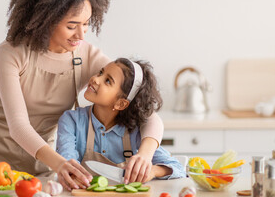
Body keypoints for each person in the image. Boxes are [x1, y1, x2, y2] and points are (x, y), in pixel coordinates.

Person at [0, 0, 165, 190]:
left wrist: (145, 154)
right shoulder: (12, 52)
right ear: (45, 20)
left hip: (40, 162)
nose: (81, 35)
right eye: (71, 26)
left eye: (86, 24)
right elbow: (18, 126)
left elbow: (144, 111)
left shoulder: (87, 56)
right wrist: (61, 164)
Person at [56, 58, 186, 186]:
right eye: (100, 73)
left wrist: (152, 171)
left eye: (107, 81)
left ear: (121, 103)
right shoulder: (72, 121)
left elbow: (178, 168)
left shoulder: (136, 133)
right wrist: (72, 174)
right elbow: (67, 161)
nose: (95, 79)